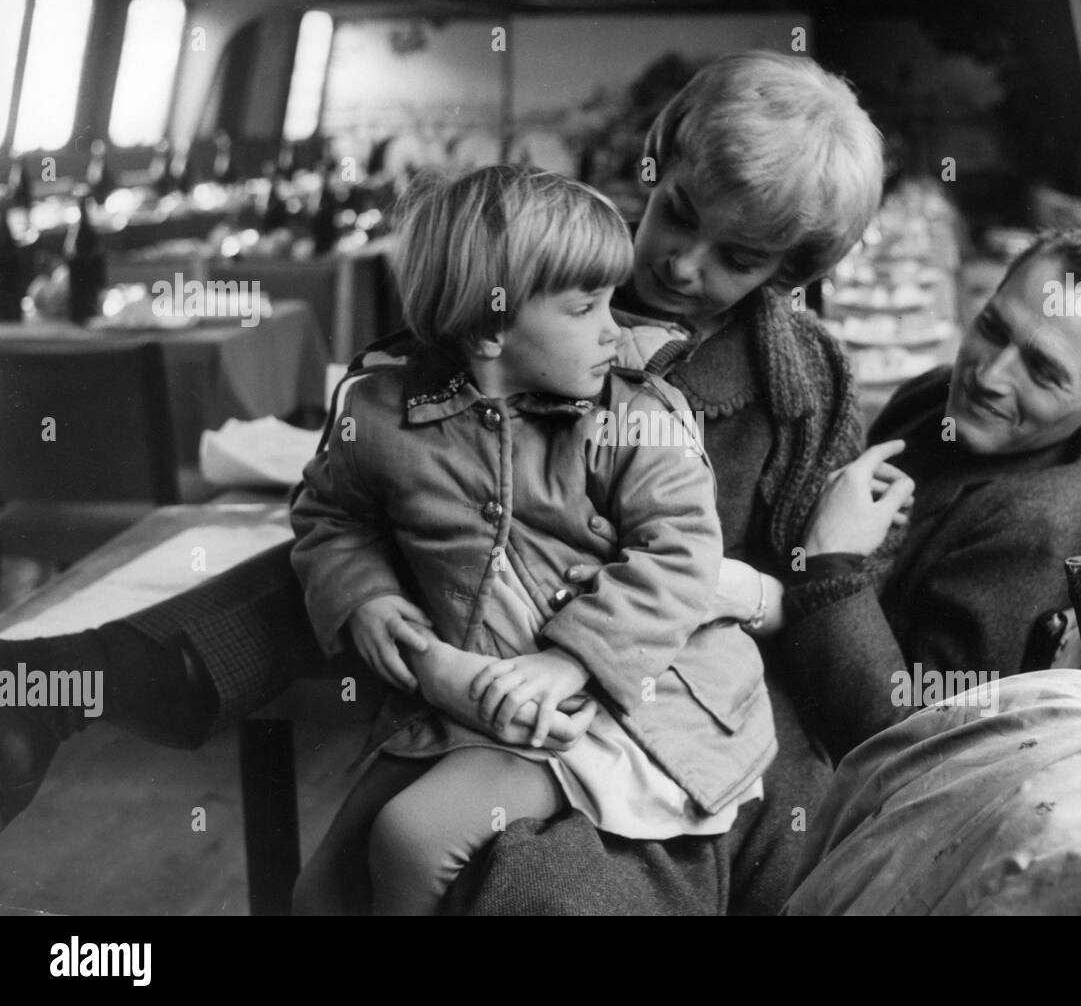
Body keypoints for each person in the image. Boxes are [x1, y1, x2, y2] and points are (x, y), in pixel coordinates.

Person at [0, 50, 893, 916]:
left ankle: (96, 676)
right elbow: (395, 444)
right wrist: (367, 592)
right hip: (460, 595)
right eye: (676, 211)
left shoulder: (800, 388)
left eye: (735, 257)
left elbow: (803, 606)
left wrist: (764, 582)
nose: (680, 263)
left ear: (791, 273)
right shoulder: (551, 261)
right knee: (340, 552)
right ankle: (74, 683)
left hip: (653, 669)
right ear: (656, 170)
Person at [288, 164, 777, 914]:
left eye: (611, 300)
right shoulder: (380, 410)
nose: (616, 328)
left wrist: (569, 659)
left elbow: (681, 552)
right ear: (489, 327)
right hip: (472, 697)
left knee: (412, 838)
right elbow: (331, 515)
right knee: (323, 891)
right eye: (586, 307)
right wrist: (364, 597)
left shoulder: (636, 412)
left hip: (619, 702)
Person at [778, 227, 1081, 762]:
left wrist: (828, 564)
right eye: (993, 328)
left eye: (1042, 371)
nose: (989, 374)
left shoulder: (1032, 536)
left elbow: (906, 741)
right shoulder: (937, 395)